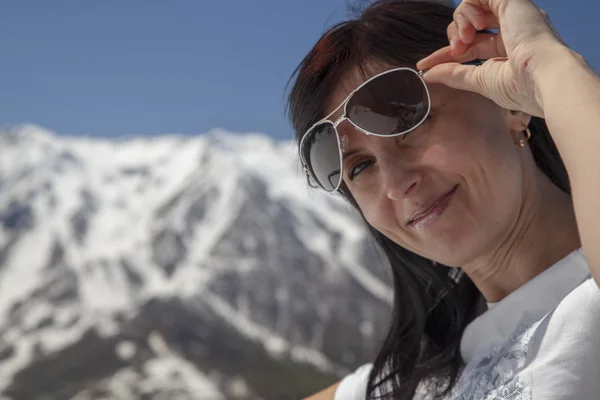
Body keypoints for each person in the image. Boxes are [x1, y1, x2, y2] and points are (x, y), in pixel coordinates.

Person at [286, 0, 600, 398]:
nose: (397, 184)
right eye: (360, 167)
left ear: (511, 102)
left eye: (409, 122)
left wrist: (547, 64)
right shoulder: (417, 383)